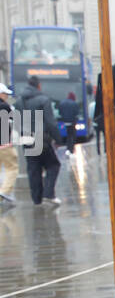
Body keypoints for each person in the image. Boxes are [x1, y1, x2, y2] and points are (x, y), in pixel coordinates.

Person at [15, 76, 63, 206]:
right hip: (42, 138)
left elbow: (17, 123)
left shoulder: (18, 102)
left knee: (33, 169)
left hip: (27, 139)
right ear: (39, 86)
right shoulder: (43, 100)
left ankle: (37, 200)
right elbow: (50, 122)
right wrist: (58, 139)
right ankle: (48, 194)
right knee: (53, 165)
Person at [0, 82, 17, 208]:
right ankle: (4, 192)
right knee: (12, 167)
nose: (6, 96)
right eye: (5, 94)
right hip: (4, 143)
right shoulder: (5, 107)